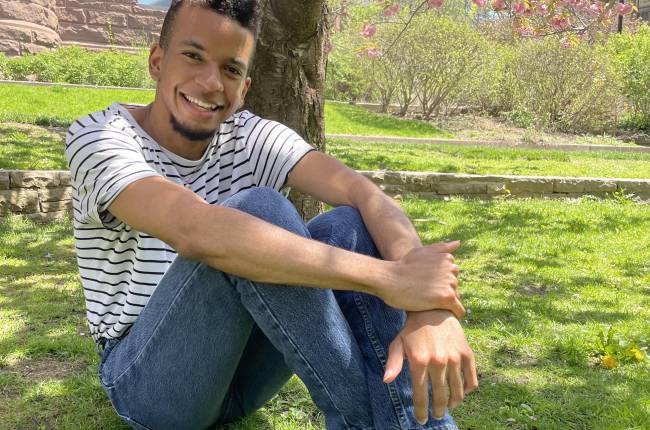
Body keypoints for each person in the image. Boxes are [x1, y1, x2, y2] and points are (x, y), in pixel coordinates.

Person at [65, 0, 478, 428]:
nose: (210, 82)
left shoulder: (251, 136)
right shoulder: (100, 137)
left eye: (230, 69)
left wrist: (427, 303)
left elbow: (365, 194)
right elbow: (197, 231)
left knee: (348, 225)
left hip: (242, 380)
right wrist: (389, 279)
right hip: (148, 382)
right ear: (157, 61)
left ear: (244, 88)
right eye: (193, 56)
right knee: (257, 210)